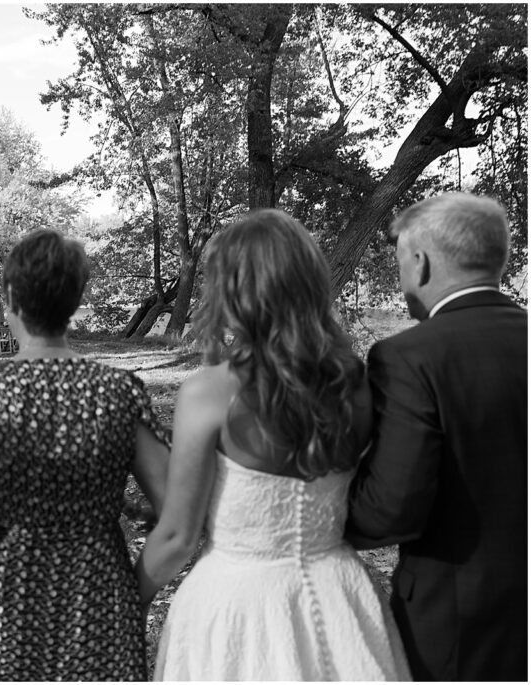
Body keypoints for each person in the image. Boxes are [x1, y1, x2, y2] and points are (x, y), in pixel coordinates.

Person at [138, 210, 410, 680]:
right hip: (341, 594)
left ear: (232, 290)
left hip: (238, 604)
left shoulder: (210, 391)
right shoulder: (358, 384)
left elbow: (177, 538)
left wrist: (131, 597)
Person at [0, 229, 170, 681]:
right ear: (73, 299)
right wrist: (134, 589)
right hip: (101, 605)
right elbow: (177, 512)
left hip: (7, 612)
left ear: (10, 296)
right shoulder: (120, 393)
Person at [346, 193, 527, 681]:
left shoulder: (408, 357)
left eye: (400, 260)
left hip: (459, 625)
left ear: (421, 262)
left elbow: (391, 507)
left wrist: (313, 516)